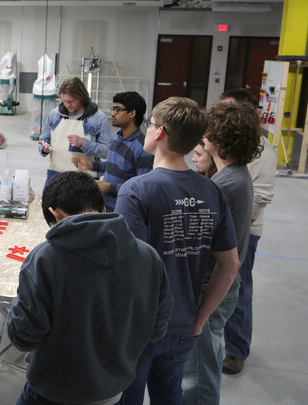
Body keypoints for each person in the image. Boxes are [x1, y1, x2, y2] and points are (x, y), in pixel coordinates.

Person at [115, 97, 241, 405]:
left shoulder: (136, 190)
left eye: (150, 125)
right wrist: (201, 318)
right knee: (169, 397)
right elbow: (231, 264)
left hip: (140, 328)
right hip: (184, 325)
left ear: (159, 133)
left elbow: (129, 270)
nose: (147, 130)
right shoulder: (211, 191)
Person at [7, 171, 173, 405]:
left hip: (52, 392)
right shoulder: (149, 257)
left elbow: (25, 336)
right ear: (103, 210)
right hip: (112, 394)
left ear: (56, 214)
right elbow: (157, 330)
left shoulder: (45, 259)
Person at [182, 101, 263, 405]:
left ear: (219, 138)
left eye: (207, 134)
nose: (202, 138)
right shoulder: (233, 175)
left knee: (198, 373)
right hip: (222, 286)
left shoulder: (223, 185)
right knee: (208, 357)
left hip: (211, 288)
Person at [219, 89, 277, 375]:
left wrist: (232, 222)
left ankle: (236, 350)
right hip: (224, 226)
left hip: (245, 230)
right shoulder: (226, 143)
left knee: (239, 289)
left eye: (228, 111)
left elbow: (260, 196)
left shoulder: (262, 149)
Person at [72, 91, 153, 211]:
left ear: (132, 113)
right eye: (113, 109)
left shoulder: (142, 148)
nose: (113, 113)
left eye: (118, 109)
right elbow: (112, 164)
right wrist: (90, 165)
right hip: (106, 206)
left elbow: (142, 189)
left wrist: (110, 188)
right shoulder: (116, 136)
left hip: (124, 210)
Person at [38, 77, 111, 185]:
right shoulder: (54, 115)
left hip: (85, 178)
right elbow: (43, 139)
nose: (67, 105)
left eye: (70, 101)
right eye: (64, 101)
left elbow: (106, 152)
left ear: (81, 97)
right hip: (55, 176)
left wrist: (84, 143)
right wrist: (44, 148)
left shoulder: (98, 118)